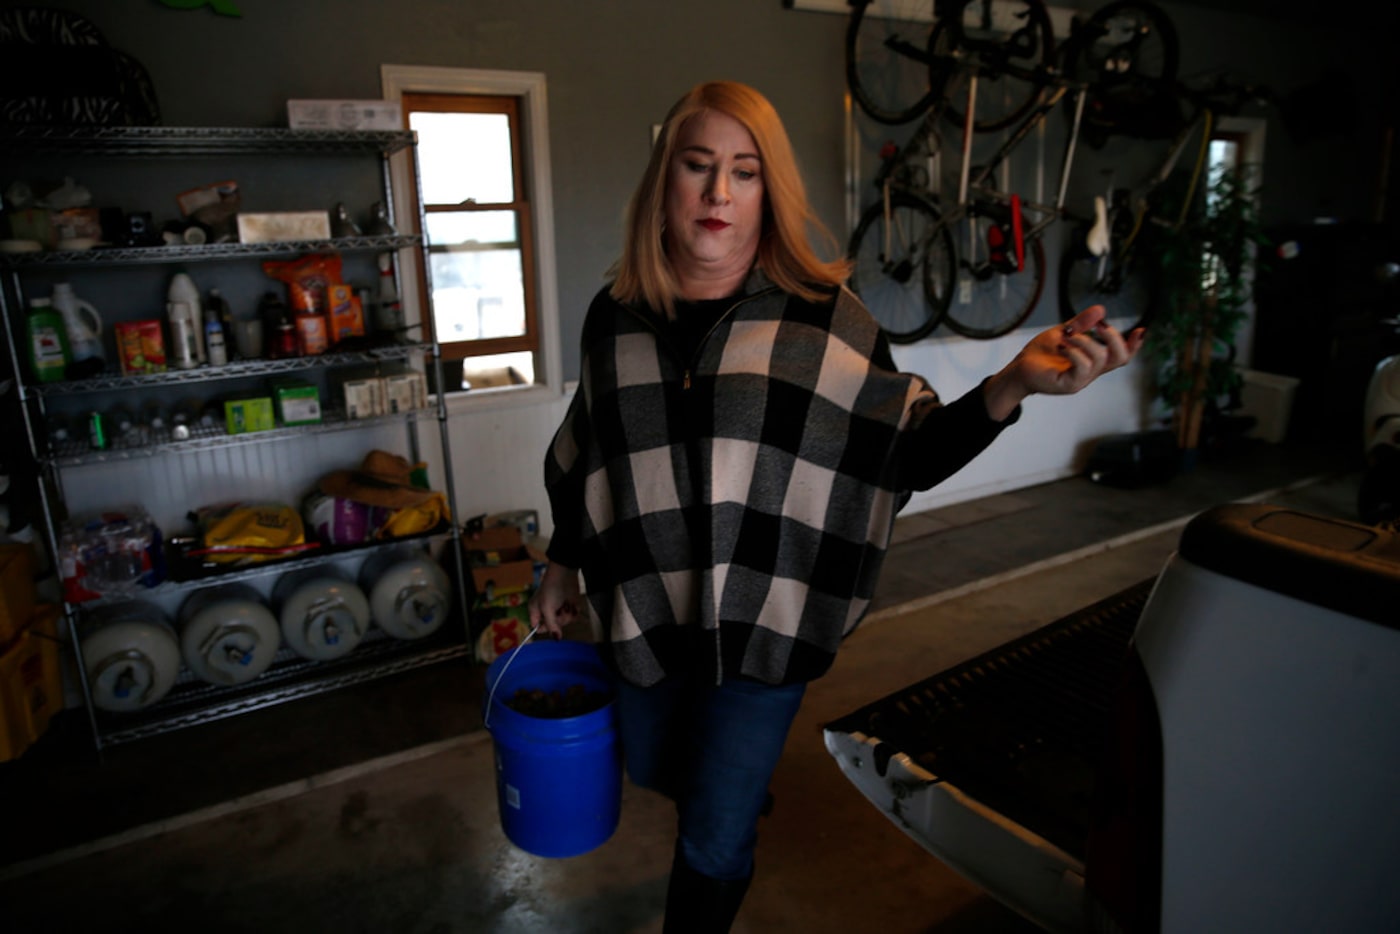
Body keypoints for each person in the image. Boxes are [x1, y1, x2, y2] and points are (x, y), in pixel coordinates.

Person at [529, 80, 1145, 933]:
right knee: (652, 767)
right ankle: (727, 784)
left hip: (767, 623)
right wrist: (563, 561)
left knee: (712, 838)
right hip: (649, 612)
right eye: (698, 166)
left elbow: (907, 449)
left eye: (744, 173)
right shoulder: (617, 315)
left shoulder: (824, 317)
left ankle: (731, 807)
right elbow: (589, 451)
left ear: (768, 191)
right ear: (662, 181)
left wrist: (1011, 384)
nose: (717, 194)